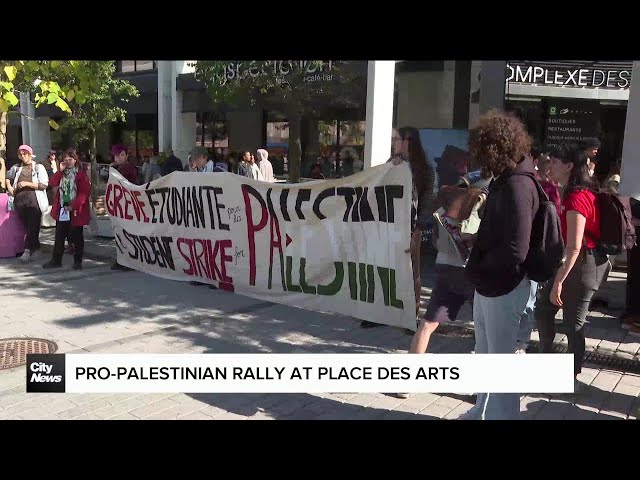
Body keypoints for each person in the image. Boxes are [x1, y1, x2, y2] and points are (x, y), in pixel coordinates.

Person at [461, 110, 540, 420]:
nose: (481, 162)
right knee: (485, 353)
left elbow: (516, 248)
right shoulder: (507, 180)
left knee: (500, 359)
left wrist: (481, 263)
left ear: (496, 149)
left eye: (483, 154)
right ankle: (482, 408)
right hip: (491, 282)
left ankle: (501, 414)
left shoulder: (518, 185)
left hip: (504, 284)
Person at [535, 144, 610, 392]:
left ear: (568, 166)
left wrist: (558, 281)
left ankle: (571, 376)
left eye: (555, 161)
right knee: (545, 308)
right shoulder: (571, 191)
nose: (550, 165)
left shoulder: (577, 197)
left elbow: (575, 246)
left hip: (584, 263)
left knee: (572, 323)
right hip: (579, 261)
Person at [361, 126, 436, 330]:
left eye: (397, 139)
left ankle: (411, 317)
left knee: (412, 272)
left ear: (408, 141)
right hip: (387, 227)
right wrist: (390, 168)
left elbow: (426, 201)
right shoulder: (392, 164)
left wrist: (418, 230)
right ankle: (379, 313)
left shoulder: (425, 170)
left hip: (411, 229)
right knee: (382, 269)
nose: (394, 142)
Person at [42, 149, 90, 270]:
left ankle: (77, 261)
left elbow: (84, 193)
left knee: (77, 236)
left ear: (75, 160)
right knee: (59, 235)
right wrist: (60, 171)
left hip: (75, 210)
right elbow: (52, 183)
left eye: (70, 159)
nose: (68, 161)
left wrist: (73, 205)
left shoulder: (80, 174)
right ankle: (56, 260)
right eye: (65, 159)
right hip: (62, 209)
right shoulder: (62, 173)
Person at [5, 145, 49, 263]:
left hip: (34, 201)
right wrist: (10, 188)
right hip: (20, 202)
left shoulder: (38, 167)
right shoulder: (16, 168)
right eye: (20, 154)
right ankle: (37, 249)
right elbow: (7, 177)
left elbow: (43, 184)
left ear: (30, 154)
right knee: (28, 227)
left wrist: (26, 184)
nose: (22, 156)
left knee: (33, 226)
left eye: (25, 153)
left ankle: (27, 251)